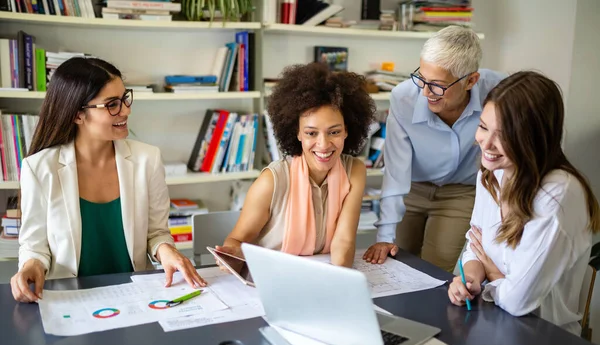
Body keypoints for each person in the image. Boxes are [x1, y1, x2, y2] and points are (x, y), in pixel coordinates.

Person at [11, 57, 206, 303]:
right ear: (77, 115)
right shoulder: (39, 168)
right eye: (112, 104)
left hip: (137, 297)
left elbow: (156, 233)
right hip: (71, 300)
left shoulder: (148, 159)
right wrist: (31, 265)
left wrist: (166, 250)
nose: (126, 110)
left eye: (125, 98)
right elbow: (35, 246)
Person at [447, 71, 600, 335]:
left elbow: (519, 302)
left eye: (505, 134)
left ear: (534, 138)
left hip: (543, 340)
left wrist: (492, 272)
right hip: (492, 323)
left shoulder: (559, 194)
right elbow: (475, 244)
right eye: (484, 127)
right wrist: (470, 277)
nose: (487, 143)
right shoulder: (491, 174)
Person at [363, 26, 505, 271]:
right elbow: (396, 170)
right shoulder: (404, 97)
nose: (425, 92)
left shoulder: (499, 91)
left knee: (433, 269)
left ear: (471, 80)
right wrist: (385, 236)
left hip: (460, 192)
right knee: (397, 263)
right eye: (421, 78)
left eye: (437, 85)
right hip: (411, 189)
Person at [217, 62, 375, 267]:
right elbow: (237, 241)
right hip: (272, 278)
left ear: (347, 130)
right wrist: (232, 255)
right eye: (311, 133)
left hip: (320, 278)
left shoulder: (355, 170)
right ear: (297, 133)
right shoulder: (271, 181)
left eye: (334, 132)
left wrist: (340, 283)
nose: (324, 144)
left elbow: (344, 241)